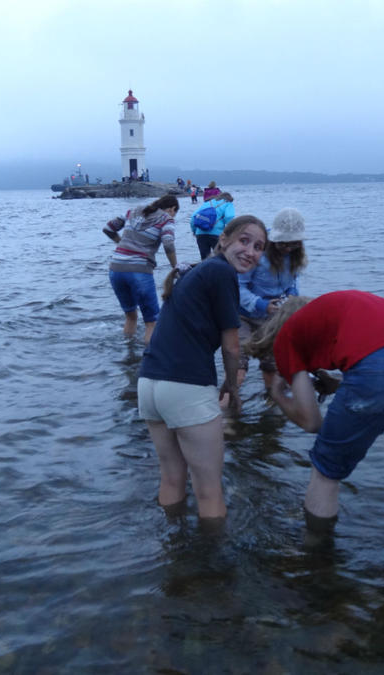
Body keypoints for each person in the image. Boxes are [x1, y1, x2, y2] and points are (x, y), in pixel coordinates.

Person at [245, 291, 384, 540]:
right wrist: (340, 385)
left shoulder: (288, 334)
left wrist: (277, 393)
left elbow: (312, 422)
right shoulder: (340, 310)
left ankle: (315, 554)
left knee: (326, 472)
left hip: (377, 368)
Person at [138, 216, 268, 518]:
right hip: (186, 387)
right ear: (223, 240)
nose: (250, 251)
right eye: (244, 241)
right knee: (209, 491)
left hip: (149, 384)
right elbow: (232, 344)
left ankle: (173, 549)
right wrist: (232, 387)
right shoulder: (222, 274)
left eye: (259, 247)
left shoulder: (197, 272)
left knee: (171, 477)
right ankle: (213, 562)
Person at [237, 207, 308, 388]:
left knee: (271, 366)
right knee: (238, 366)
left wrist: (292, 296)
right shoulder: (257, 252)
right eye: (283, 243)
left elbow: (293, 282)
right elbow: (238, 285)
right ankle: (229, 410)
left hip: (272, 318)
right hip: (242, 315)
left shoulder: (295, 257)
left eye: (293, 243)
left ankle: (271, 408)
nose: (288, 248)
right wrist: (260, 304)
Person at [103, 195, 179, 344]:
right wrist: (175, 267)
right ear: (172, 209)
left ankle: (130, 355)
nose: (173, 216)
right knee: (151, 322)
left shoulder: (133, 210)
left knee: (131, 317)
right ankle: (148, 363)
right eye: (175, 213)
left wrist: (120, 244)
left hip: (116, 269)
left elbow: (108, 228)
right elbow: (168, 244)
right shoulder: (166, 219)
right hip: (139, 270)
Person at [190, 192, 236, 260]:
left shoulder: (207, 203)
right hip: (217, 234)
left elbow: (193, 218)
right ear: (229, 199)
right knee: (221, 258)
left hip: (200, 234)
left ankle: (204, 270)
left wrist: (194, 231)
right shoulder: (228, 203)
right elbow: (229, 217)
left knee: (204, 259)